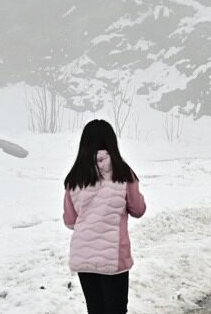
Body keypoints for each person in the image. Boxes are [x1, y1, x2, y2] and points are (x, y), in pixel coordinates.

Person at [63, 119, 147, 314]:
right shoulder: (124, 174)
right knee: (116, 310)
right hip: (113, 257)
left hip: (83, 254)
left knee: (96, 310)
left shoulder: (74, 177)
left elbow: (69, 221)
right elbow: (138, 210)